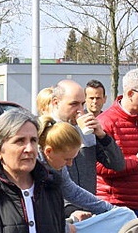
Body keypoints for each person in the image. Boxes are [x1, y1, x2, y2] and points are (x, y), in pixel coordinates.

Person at [50, 80, 124, 216]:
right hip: (60, 216)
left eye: (82, 104)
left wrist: (102, 136)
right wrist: (69, 210)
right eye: (73, 104)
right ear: (56, 102)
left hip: (88, 213)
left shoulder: (85, 132)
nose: (80, 110)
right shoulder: (45, 134)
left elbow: (117, 164)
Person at [96, 68, 138, 215]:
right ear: (131, 93)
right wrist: (136, 162)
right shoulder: (105, 123)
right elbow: (99, 167)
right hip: (116, 205)